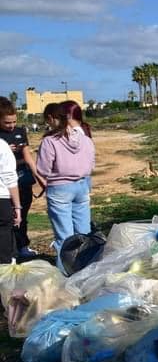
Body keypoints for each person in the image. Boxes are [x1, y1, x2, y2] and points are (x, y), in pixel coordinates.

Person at [35, 100, 96, 264]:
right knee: (84, 232)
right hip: (82, 186)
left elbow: (42, 169)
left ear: (50, 118)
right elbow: (91, 164)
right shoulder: (85, 139)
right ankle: (87, 265)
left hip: (59, 188)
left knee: (64, 236)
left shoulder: (49, 141)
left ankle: (65, 271)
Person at [0, 97, 42, 258]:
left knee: (22, 216)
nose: (11, 126)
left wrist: (39, 176)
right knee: (6, 219)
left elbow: (28, 156)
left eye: (13, 122)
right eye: (7, 123)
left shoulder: (20, 132)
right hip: (4, 184)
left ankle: (22, 246)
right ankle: (9, 251)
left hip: (21, 179)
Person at [0, 115, 22, 264]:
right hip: (2, 198)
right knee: (4, 236)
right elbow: (9, 178)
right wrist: (18, 206)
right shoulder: (2, 146)